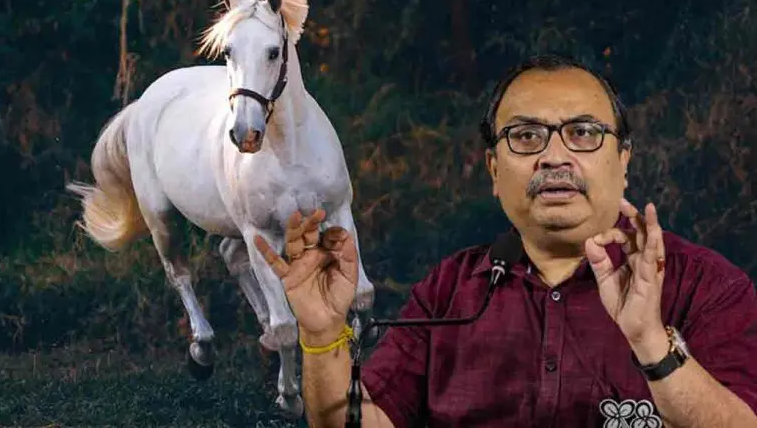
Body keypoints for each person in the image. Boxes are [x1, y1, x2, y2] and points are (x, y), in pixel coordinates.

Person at [253, 54, 757, 427]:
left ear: (624, 159)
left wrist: (652, 344)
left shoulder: (706, 287)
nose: (554, 157)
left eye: (583, 133)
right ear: (494, 170)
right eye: (526, 136)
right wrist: (321, 337)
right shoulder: (451, 290)